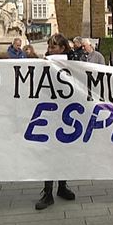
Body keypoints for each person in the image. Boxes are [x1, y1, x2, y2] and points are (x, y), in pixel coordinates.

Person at [35, 33, 76, 210]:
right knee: (49, 153)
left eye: (53, 47)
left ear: (62, 49)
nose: (49, 50)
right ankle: (47, 192)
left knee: (64, 152)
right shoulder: (44, 64)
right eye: (49, 46)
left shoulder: (74, 65)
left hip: (66, 114)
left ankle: (62, 186)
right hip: (49, 114)